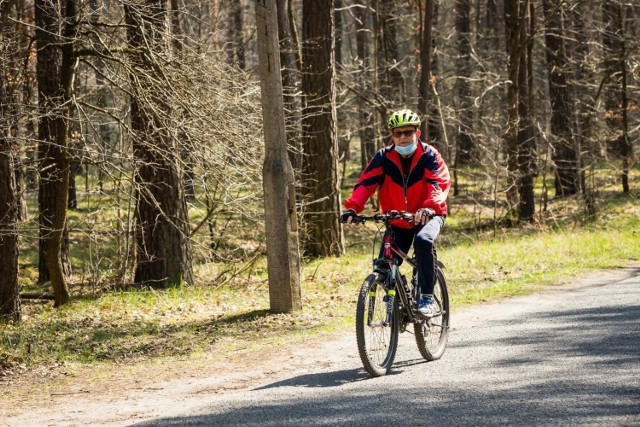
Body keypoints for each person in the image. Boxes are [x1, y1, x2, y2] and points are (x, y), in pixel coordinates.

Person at [341, 108, 450, 317]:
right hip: (397, 220)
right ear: (392, 135)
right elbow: (365, 184)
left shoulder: (429, 155)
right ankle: (396, 301)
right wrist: (353, 208)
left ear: (417, 133)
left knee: (423, 241)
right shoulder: (383, 157)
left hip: (429, 215)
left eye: (408, 132)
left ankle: (427, 297)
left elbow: (439, 183)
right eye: (398, 133)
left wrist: (429, 207)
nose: (403, 137)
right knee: (384, 264)